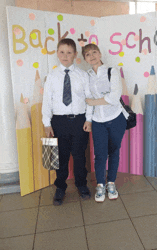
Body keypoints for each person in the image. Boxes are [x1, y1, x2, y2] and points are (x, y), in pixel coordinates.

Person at [42, 38, 93, 206]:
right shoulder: (52, 76)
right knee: (61, 157)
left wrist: (89, 119)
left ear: (75, 55)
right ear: (57, 53)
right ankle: (60, 187)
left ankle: (81, 184)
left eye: (69, 52)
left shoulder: (83, 75)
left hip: (79, 121)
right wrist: (47, 123)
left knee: (79, 156)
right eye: (62, 52)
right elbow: (47, 101)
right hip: (59, 122)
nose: (65, 55)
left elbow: (89, 99)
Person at [82, 43, 128, 202]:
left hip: (116, 118)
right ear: (85, 59)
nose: (92, 56)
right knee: (100, 154)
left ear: (100, 53)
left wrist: (95, 102)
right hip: (97, 121)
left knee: (114, 151)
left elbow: (114, 97)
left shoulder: (112, 71)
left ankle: (111, 183)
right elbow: (87, 100)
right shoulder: (86, 76)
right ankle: (100, 185)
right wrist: (88, 119)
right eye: (88, 54)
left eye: (94, 52)